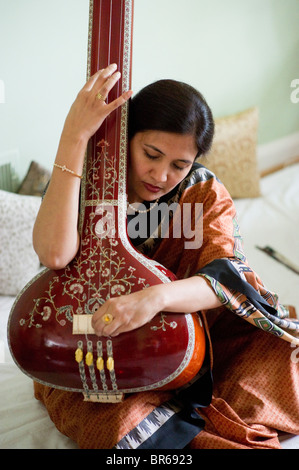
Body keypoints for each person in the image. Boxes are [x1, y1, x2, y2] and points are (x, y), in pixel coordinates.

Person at [33, 64, 299, 449]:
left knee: (286, 357)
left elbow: (227, 280)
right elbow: (54, 254)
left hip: (194, 332)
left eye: (179, 165)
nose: (160, 175)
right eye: (151, 154)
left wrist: (152, 299)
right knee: (122, 425)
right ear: (128, 138)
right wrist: (74, 136)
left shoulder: (201, 191)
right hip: (96, 344)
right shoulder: (89, 180)